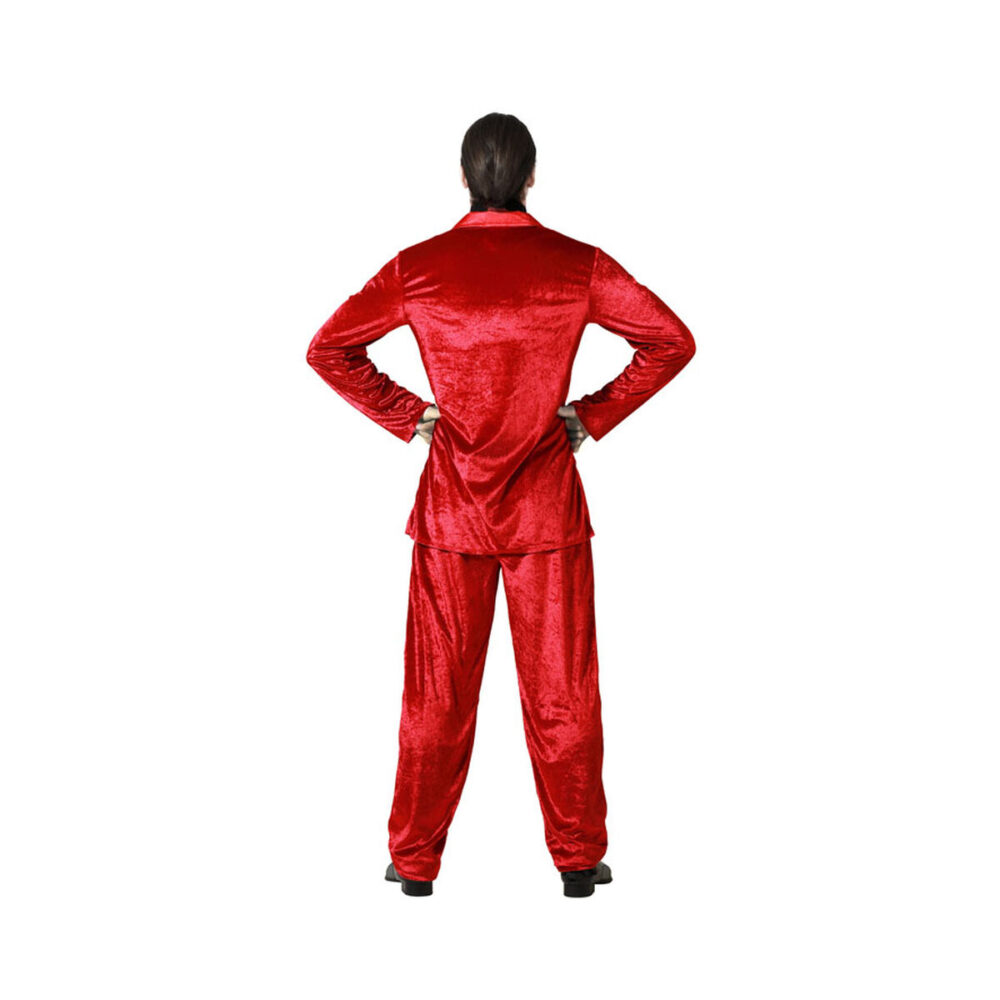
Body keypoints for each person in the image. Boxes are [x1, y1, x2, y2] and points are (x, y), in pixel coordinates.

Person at [305, 112, 696, 898]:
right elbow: (671, 340)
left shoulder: (420, 267)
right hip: (546, 509)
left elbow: (329, 348)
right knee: (563, 690)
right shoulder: (576, 265)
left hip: (452, 509)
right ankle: (578, 860)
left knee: (437, 692)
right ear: (531, 177)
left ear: (462, 178)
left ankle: (415, 863)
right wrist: (589, 416)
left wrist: (413, 416)